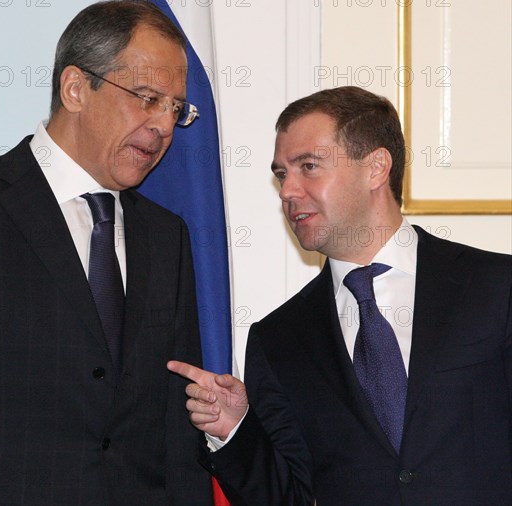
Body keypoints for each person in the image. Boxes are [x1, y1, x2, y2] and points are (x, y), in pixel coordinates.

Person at [0, 0, 213, 506]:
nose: (164, 125)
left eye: (175, 107)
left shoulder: (167, 238)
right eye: (147, 97)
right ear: (76, 88)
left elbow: (175, 438)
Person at [169, 86, 512, 505]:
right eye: (281, 174)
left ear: (376, 167)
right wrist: (236, 430)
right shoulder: (278, 339)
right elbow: (288, 496)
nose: (287, 192)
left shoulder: (497, 287)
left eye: (308, 166)